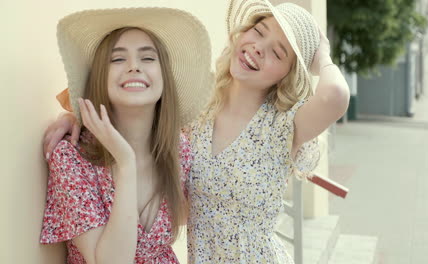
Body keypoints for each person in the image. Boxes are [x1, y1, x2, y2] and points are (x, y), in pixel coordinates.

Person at [43, 0, 350, 263]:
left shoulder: (284, 123)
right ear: (242, 33)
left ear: (287, 73)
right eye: (258, 32)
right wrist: (74, 117)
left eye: (278, 53)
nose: (258, 49)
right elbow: (140, 105)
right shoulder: (199, 115)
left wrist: (322, 55)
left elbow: (334, 97)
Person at [39, 7, 212, 264]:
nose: (133, 67)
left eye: (148, 58)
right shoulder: (72, 157)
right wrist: (126, 163)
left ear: (164, 78)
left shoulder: (179, 149)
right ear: (100, 77)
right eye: (117, 59)